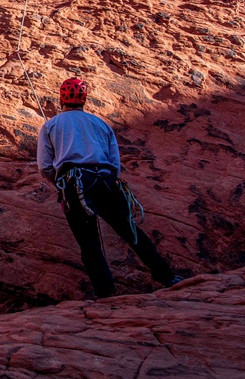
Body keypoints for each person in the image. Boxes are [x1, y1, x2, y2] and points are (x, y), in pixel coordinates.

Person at [37, 77, 182, 298]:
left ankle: (106, 292)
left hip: (74, 183)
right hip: (105, 180)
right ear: (84, 99)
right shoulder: (100, 123)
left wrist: (61, 184)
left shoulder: (51, 125)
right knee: (130, 230)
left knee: (88, 241)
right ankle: (166, 276)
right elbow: (114, 162)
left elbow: (45, 165)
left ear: (61, 99)